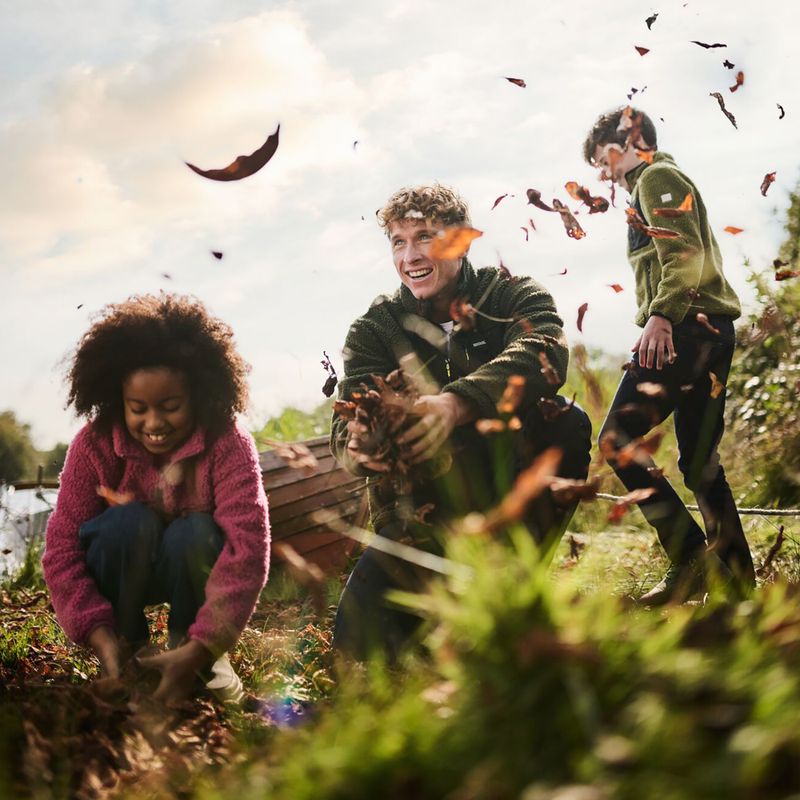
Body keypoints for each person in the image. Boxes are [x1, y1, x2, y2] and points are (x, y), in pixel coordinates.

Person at [330, 183, 592, 659]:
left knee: (566, 422)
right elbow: (348, 419)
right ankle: (441, 616)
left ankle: (513, 586)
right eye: (398, 241)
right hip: (422, 509)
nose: (410, 256)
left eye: (424, 237)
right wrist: (358, 444)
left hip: (510, 481)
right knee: (357, 647)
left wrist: (455, 404)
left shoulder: (512, 293)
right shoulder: (373, 329)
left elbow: (545, 347)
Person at [42, 293, 270, 703]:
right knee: (125, 523)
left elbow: (248, 549)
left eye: (170, 406)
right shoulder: (93, 445)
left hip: (191, 568)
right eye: (138, 408)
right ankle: (129, 654)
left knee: (195, 532)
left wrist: (206, 645)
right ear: (118, 401)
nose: (154, 423)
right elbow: (61, 548)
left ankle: (195, 659)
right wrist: (101, 637)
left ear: (198, 394)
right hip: (123, 567)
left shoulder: (228, 442)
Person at [582, 106, 755, 605]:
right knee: (699, 461)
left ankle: (690, 561)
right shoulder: (653, 183)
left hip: (687, 327)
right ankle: (739, 587)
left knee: (616, 440)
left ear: (631, 140)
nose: (601, 171)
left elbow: (683, 252)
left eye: (602, 157)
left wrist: (660, 316)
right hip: (703, 329)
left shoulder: (656, 176)